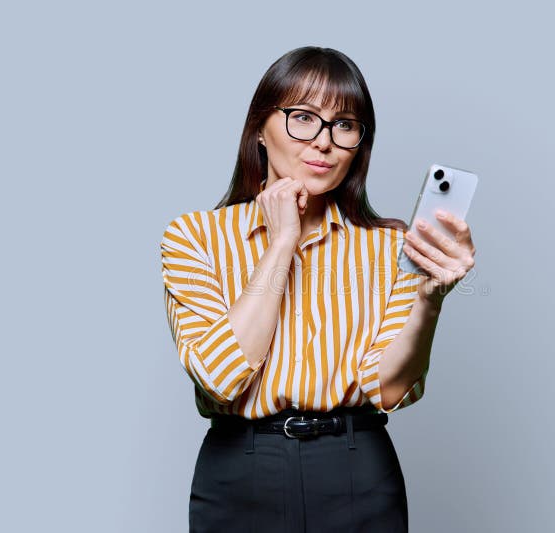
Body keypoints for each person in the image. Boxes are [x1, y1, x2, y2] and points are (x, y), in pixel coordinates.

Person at [160, 46, 476, 532]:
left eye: (344, 124)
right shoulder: (194, 237)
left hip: (356, 469)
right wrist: (281, 242)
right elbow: (220, 378)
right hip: (239, 471)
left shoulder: (390, 247)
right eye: (303, 117)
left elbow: (389, 387)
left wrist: (429, 300)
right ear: (259, 130)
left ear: (359, 144)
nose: (323, 141)